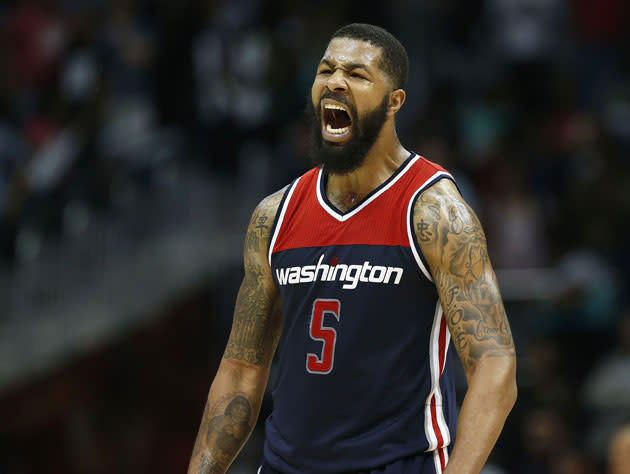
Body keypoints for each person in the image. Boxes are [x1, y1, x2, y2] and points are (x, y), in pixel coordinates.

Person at [188, 23, 517, 474]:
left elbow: (495, 369)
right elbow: (241, 370)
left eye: (357, 74)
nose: (335, 81)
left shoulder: (434, 212)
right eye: (326, 70)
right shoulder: (275, 215)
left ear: (394, 101)